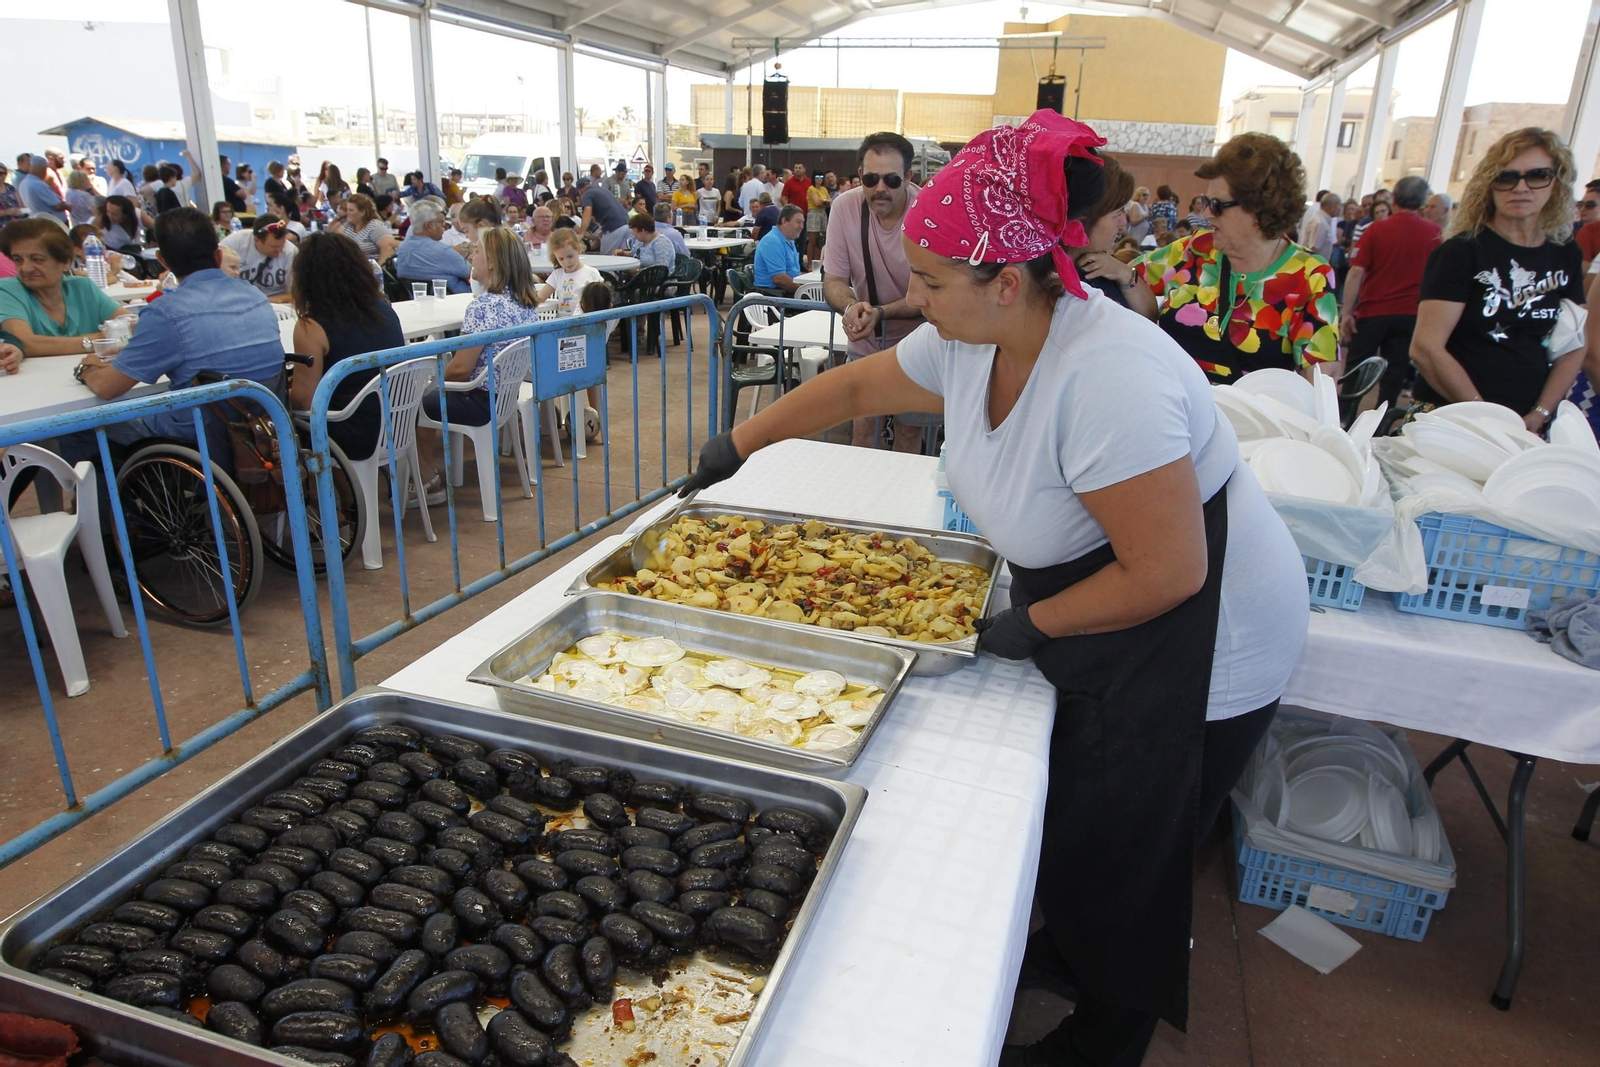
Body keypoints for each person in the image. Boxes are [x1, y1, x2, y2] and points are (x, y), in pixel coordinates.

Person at [680, 109, 1308, 1067]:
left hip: (1212, 630)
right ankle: (1070, 945)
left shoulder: (1108, 378)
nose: (916, 299)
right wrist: (740, 441)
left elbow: (1170, 571)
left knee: (1137, 834)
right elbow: (856, 388)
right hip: (1104, 591)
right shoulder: (974, 339)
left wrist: (1029, 625)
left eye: (931, 282)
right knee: (1081, 810)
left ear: (1007, 280)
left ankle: (1107, 1031)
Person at [1410, 127, 1585, 430]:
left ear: (1556, 183)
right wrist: (1487, 418)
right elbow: (1425, 348)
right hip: (1453, 418)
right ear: (1489, 185)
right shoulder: (1462, 251)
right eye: (1506, 177)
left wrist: (1540, 414)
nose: (1521, 187)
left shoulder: (1564, 251)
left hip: (1528, 421)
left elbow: (1574, 344)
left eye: (1537, 175)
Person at [1131, 133, 1339, 384]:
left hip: (1244, 422)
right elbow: (1122, 284)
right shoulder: (1196, 249)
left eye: (1216, 204)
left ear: (1257, 207)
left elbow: (1319, 385)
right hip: (1172, 413)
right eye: (1207, 202)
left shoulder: (1310, 276)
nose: (1207, 213)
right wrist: (1119, 272)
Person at [74, 208, 285, 446]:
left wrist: (86, 369)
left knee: (76, 426)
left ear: (162, 260)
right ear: (218, 256)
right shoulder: (255, 295)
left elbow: (107, 387)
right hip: (263, 422)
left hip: (202, 434)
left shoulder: (166, 313)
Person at [415, 226, 549, 491]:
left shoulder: (483, 307)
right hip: (505, 396)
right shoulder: (524, 301)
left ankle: (423, 475)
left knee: (415, 404)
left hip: (478, 399)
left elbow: (461, 369)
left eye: (476, 251)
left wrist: (433, 383)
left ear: (492, 263)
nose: (470, 257)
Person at [822, 131, 926, 449]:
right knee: (863, 429)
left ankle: (901, 500)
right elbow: (835, 282)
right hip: (867, 340)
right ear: (859, 177)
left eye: (892, 180)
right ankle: (857, 499)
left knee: (910, 432)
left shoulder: (929, 210)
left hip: (920, 342)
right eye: (871, 179)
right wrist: (852, 307)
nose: (880, 188)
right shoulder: (844, 208)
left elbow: (933, 295)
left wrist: (880, 313)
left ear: (909, 177)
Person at [286, 231, 406, 462]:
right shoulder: (384, 309)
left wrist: (279, 392)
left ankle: (319, 493)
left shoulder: (311, 325)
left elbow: (304, 400)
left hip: (349, 428)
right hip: (397, 420)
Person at [1340, 176, 1440, 409]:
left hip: (1373, 311)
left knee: (1356, 369)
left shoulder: (1376, 230)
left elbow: (1356, 272)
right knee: (1395, 373)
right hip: (1410, 314)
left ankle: (1344, 418)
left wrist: (1346, 312)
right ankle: (1382, 422)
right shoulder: (1434, 233)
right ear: (1422, 202)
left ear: (1393, 199)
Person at [0, 218, 128, 357]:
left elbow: (132, 325)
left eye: (37, 259)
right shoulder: (7, 290)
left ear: (65, 262)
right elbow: (25, 343)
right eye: (18, 259)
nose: (26, 268)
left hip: (92, 372)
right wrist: (99, 340)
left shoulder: (83, 287)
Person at [1058, 155, 1149, 311]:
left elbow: (1150, 315)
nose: (1123, 223)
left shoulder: (1105, 265)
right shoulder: (1044, 282)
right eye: (1118, 213)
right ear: (1082, 220)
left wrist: (1125, 274)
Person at [395, 200, 472, 293]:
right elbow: (474, 274)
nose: (445, 225)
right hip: (458, 300)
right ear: (428, 226)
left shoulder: (403, 248)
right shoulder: (442, 252)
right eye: (441, 221)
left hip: (418, 301)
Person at [221, 216, 297, 303]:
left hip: (275, 305)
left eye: (282, 244)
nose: (280, 250)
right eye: (274, 247)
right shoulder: (236, 242)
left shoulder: (291, 252)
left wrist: (263, 301)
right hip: (237, 301)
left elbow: (296, 296)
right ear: (257, 240)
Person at [753, 206, 804, 295]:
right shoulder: (772, 241)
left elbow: (794, 272)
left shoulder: (789, 240)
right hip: (773, 295)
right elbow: (779, 279)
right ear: (784, 221)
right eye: (798, 222)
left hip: (785, 291)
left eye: (802, 223)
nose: (802, 226)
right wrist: (805, 291)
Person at [330, 193, 395, 261]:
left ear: (363, 212)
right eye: (347, 210)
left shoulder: (375, 227)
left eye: (351, 210)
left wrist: (378, 269)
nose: (347, 213)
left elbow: (388, 250)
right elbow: (333, 241)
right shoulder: (346, 227)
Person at [578, 176, 632, 253]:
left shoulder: (587, 194)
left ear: (580, 190)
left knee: (606, 259)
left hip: (613, 228)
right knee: (622, 257)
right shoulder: (603, 190)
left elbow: (587, 213)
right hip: (627, 225)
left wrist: (581, 233)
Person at [19, 156, 68, 222]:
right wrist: (69, 207)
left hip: (39, 221)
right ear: (43, 169)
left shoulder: (23, 183)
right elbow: (57, 206)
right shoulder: (38, 184)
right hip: (54, 222)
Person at [1299, 191, 1342, 263]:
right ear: (1330, 206)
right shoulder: (1320, 223)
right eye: (1337, 206)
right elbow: (1314, 249)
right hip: (1314, 266)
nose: (1339, 209)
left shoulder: (1322, 220)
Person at [805, 172, 831, 262]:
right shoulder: (811, 189)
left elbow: (829, 202)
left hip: (823, 213)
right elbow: (817, 203)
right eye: (817, 177)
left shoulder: (824, 189)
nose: (819, 179)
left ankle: (818, 261)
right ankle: (809, 263)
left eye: (821, 177)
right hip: (814, 213)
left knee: (821, 240)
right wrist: (824, 201)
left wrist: (823, 201)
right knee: (812, 240)